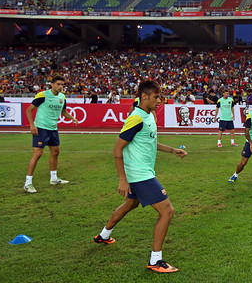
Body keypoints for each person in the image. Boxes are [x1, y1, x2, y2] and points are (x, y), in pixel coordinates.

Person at [93, 80, 187, 273]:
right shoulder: (136, 117)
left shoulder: (149, 114)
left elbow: (151, 142)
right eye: (156, 97)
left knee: (130, 204)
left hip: (141, 172)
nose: (159, 100)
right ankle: (155, 260)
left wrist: (172, 150)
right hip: (138, 173)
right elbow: (118, 148)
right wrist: (122, 179)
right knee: (167, 211)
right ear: (144, 97)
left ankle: (104, 235)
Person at [23, 76, 79, 193]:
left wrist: (72, 118)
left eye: (62, 85)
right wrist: (32, 125)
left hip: (53, 129)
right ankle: (28, 183)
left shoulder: (62, 97)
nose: (60, 86)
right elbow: (29, 110)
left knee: (55, 152)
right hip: (41, 128)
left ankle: (53, 178)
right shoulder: (43, 95)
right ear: (52, 84)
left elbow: (64, 112)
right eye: (58, 84)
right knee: (38, 154)